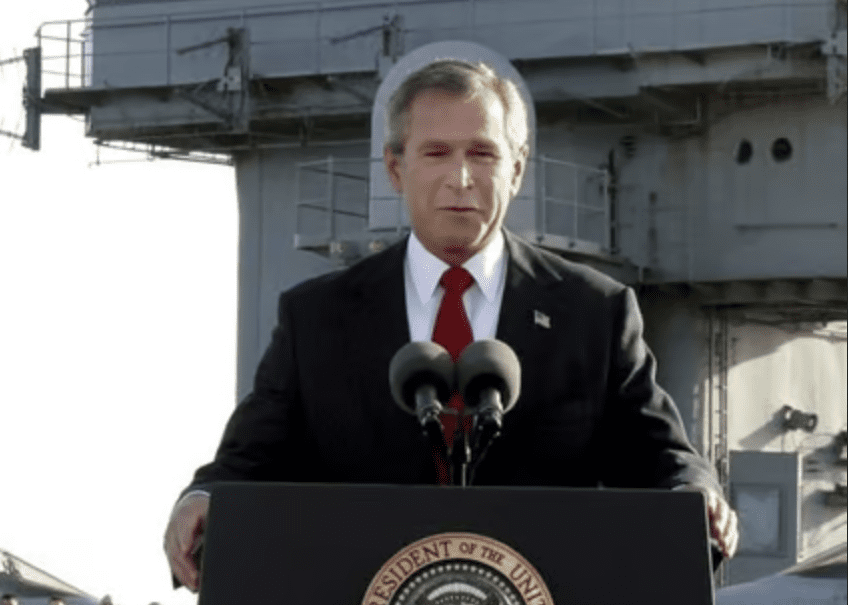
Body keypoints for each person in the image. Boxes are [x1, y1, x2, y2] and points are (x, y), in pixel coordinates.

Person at [164, 58, 739, 590]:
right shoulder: (317, 316)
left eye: (483, 154)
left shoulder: (594, 311)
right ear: (396, 167)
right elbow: (249, 462)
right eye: (436, 152)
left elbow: (661, 456)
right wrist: (201, 497)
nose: (461, 178)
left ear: (517, 169)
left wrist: (700, 494)